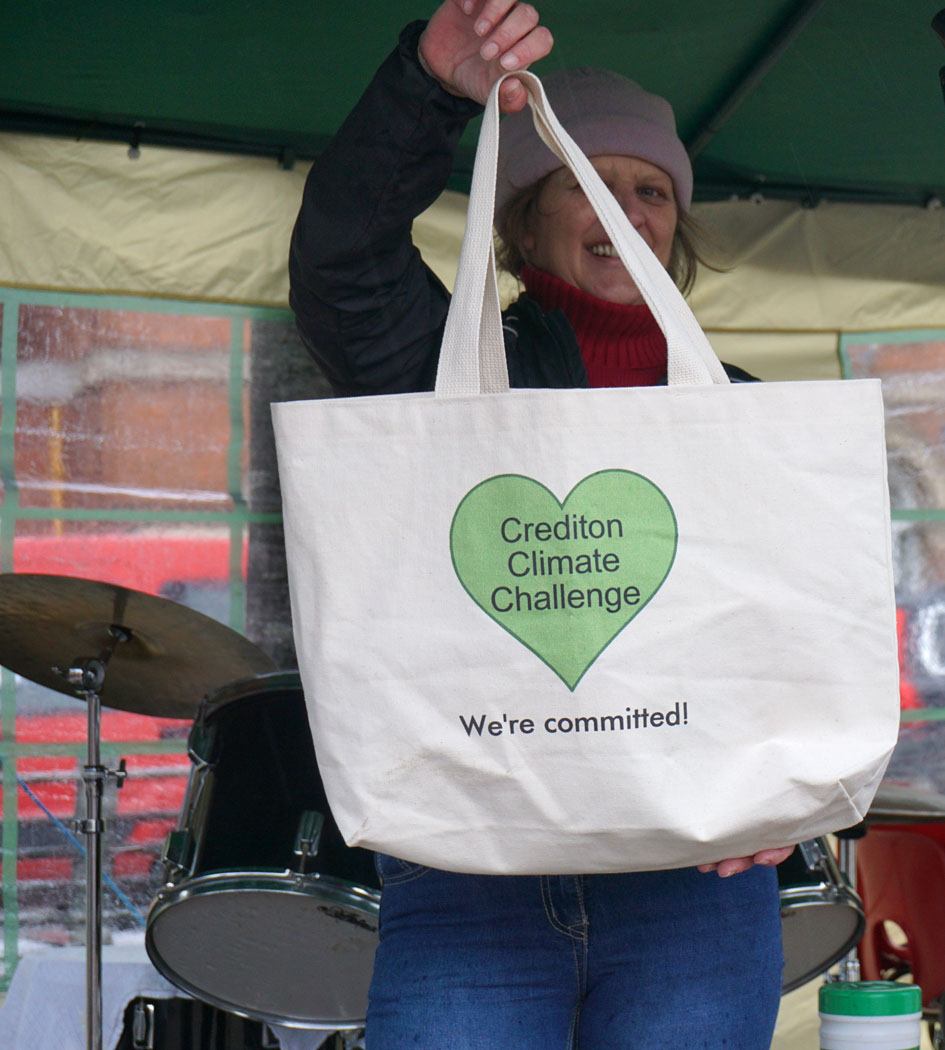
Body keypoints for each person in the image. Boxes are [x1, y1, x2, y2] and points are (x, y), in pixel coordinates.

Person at [289, 2, 794, 1046]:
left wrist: (794, 790)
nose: (627, 208)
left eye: (650, 189)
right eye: (588, 182)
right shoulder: (447, 375)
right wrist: (424, 86)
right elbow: (343, 263)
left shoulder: (745, 410)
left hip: (692, 893)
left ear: (677, 227)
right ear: (521, 224)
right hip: (472, 879)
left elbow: (801, 627)